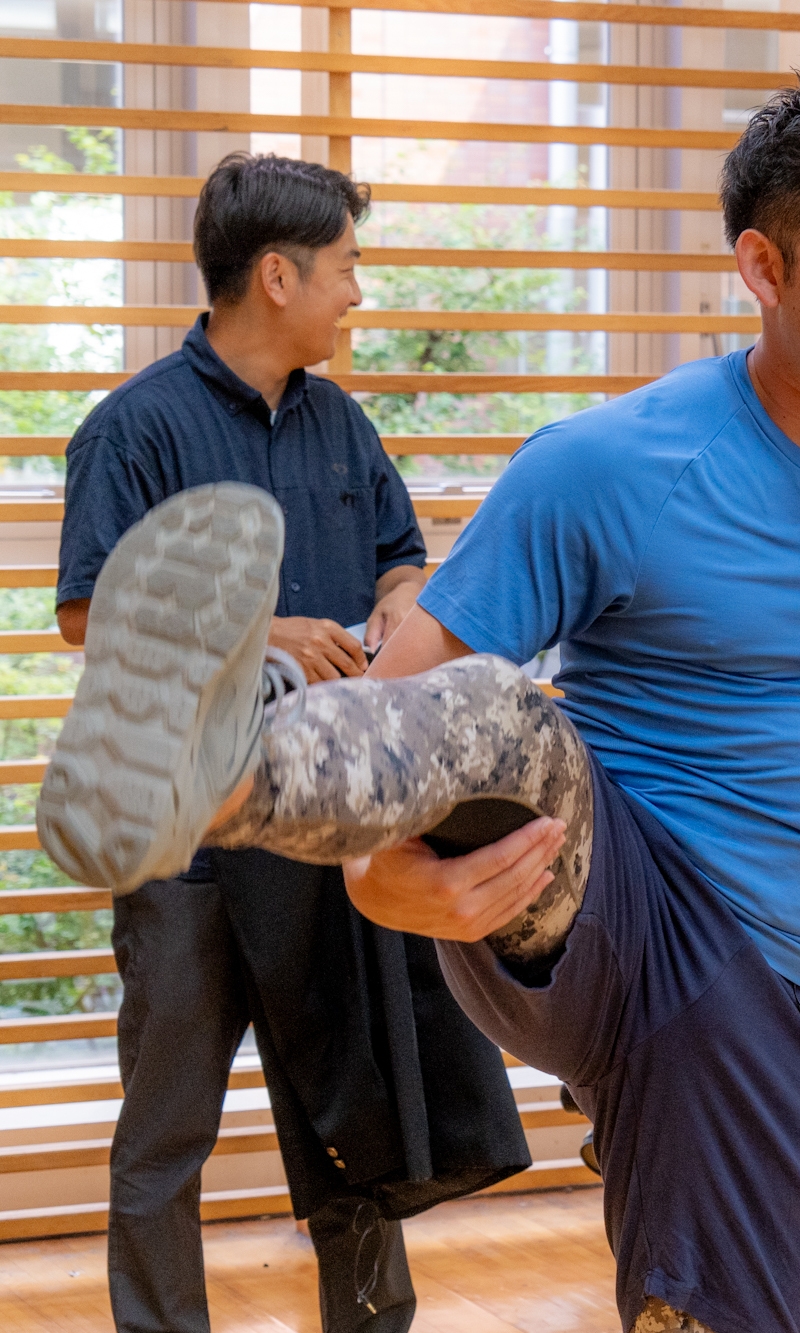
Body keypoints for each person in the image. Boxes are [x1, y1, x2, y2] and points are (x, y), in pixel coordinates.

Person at [38, 62, 800, 1333]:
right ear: (763, 268)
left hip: (782, 972)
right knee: (506, 713)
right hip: (593, 887)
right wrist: (375, 879)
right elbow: (410, 693)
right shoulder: (606, 464)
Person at [52, 153, 530, 1333]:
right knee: (167, 1130)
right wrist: (262, 631)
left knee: (356, 1113)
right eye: (346, 266)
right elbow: (88, 614)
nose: (357, 292)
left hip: (329, 830)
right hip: (188, 849)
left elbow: (401, 557)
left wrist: (398, 607)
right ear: (278, 275)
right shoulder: (132, 429)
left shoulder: (342, 425)